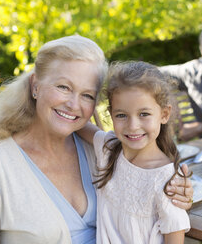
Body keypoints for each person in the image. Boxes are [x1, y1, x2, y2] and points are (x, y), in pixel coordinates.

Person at [0, 35, 193, 244]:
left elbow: (148, 187)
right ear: (35, 86)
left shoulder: (102, 152)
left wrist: (178, 192)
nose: (74, 104)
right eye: (63, 87)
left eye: (87, 95)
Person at [77, 61, 191, 243]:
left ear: (164, 114)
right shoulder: (109, 148)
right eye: (121, 115)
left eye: (144, 114)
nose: (133, 126)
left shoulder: (167, 180)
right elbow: (77, 121)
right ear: (111, 113)